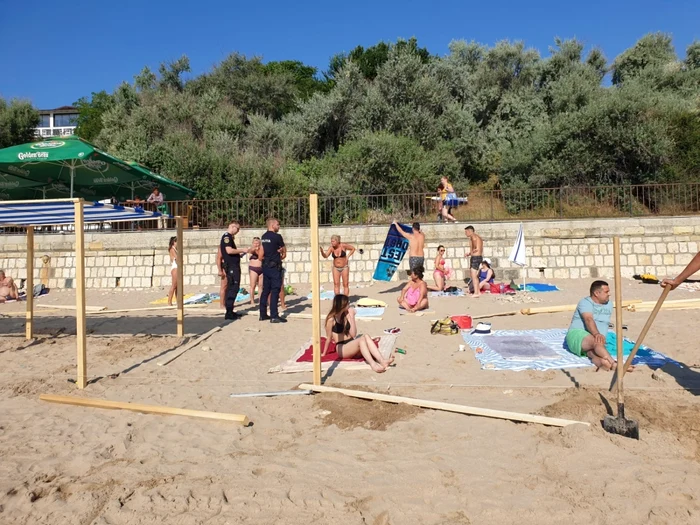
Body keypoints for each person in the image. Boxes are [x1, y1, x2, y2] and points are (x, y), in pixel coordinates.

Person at [323, 294, 394, 373]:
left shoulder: (345, 315)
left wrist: (351, 316)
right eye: (347, 303)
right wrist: (324, 353)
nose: (349, 304)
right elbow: (328, 338)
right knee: (361, 340)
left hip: (351, 343)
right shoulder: (331, 320)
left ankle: (382, 361)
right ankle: (373, 364)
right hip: (342, 347)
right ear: (342, 305)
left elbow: (353, 334)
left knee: (365, 336)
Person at [566, 280, 617, 371]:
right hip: (577, 334)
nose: (609, 294)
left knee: (592, 352)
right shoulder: (585, 302)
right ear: (596, 293)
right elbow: (588, 319)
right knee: (596, 342)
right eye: (606, 292)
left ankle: (601, 362)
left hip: (591, 340)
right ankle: (613, 363)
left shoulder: (609, 304)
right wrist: (597, 334)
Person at [259, 217, 287, 323]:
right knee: (275, 290)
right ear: (272, 225)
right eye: (278, 224)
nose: (279, 226)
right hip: (274, 267)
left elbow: (261, 254)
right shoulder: (277, 237)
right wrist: (281, 253)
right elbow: (284, 251)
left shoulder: (264, 237)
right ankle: (274, 315)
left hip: (265, 266)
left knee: (266, 290)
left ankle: (262, 314)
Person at [220, 220, 248, 321]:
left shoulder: (229, 238)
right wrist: (242, 250)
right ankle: (229, 312)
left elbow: (231, 252)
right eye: (238, 229)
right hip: (232, 267)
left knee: (233, 287)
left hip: (233, 265)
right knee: (233, 288)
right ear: (232, 227)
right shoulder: (227, 237)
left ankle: (230, 311)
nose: (238, 231)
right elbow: (229, 250)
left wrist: (241, 253)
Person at [464, 226, 484, 297]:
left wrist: (473, 251)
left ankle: (476, 293)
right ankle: (478, 291)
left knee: (474, 276)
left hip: (475, 258)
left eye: (466, 232)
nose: (465, 234)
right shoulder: (479, 237)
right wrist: (469, 253)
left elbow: (476, 248)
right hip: (479, 257)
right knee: (476, 276)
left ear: (469, 231)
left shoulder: (473, 237)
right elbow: (478, 248)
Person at [248, 237, 264, 306]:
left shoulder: (262, 249)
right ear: (252, 243)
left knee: (261, 285)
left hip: (262, 268)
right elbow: (251, 252)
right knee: (253, 285)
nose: (256, 244)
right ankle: (252, 300)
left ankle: (261, 300)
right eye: (255, 243)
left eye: (258, 243)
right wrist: (256, 250)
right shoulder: (251, 249)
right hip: (253, 269)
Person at [167, 237, 178, 307]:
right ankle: (169, 301)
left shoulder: (175, 249)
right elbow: (177, 258)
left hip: (177, 268)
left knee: (178, 286)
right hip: (175, 268)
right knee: (174, 286)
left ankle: (178, 301)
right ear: (174, 242)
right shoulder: (172, 249)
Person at [216, 245, 227, 309]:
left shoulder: (231, 244)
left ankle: (225, 303)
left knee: (228, 286)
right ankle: (222, 304)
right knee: (224, 286)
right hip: (225, 266)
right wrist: (220, 270)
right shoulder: (222, 246)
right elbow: (218, 258)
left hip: (230, 266)